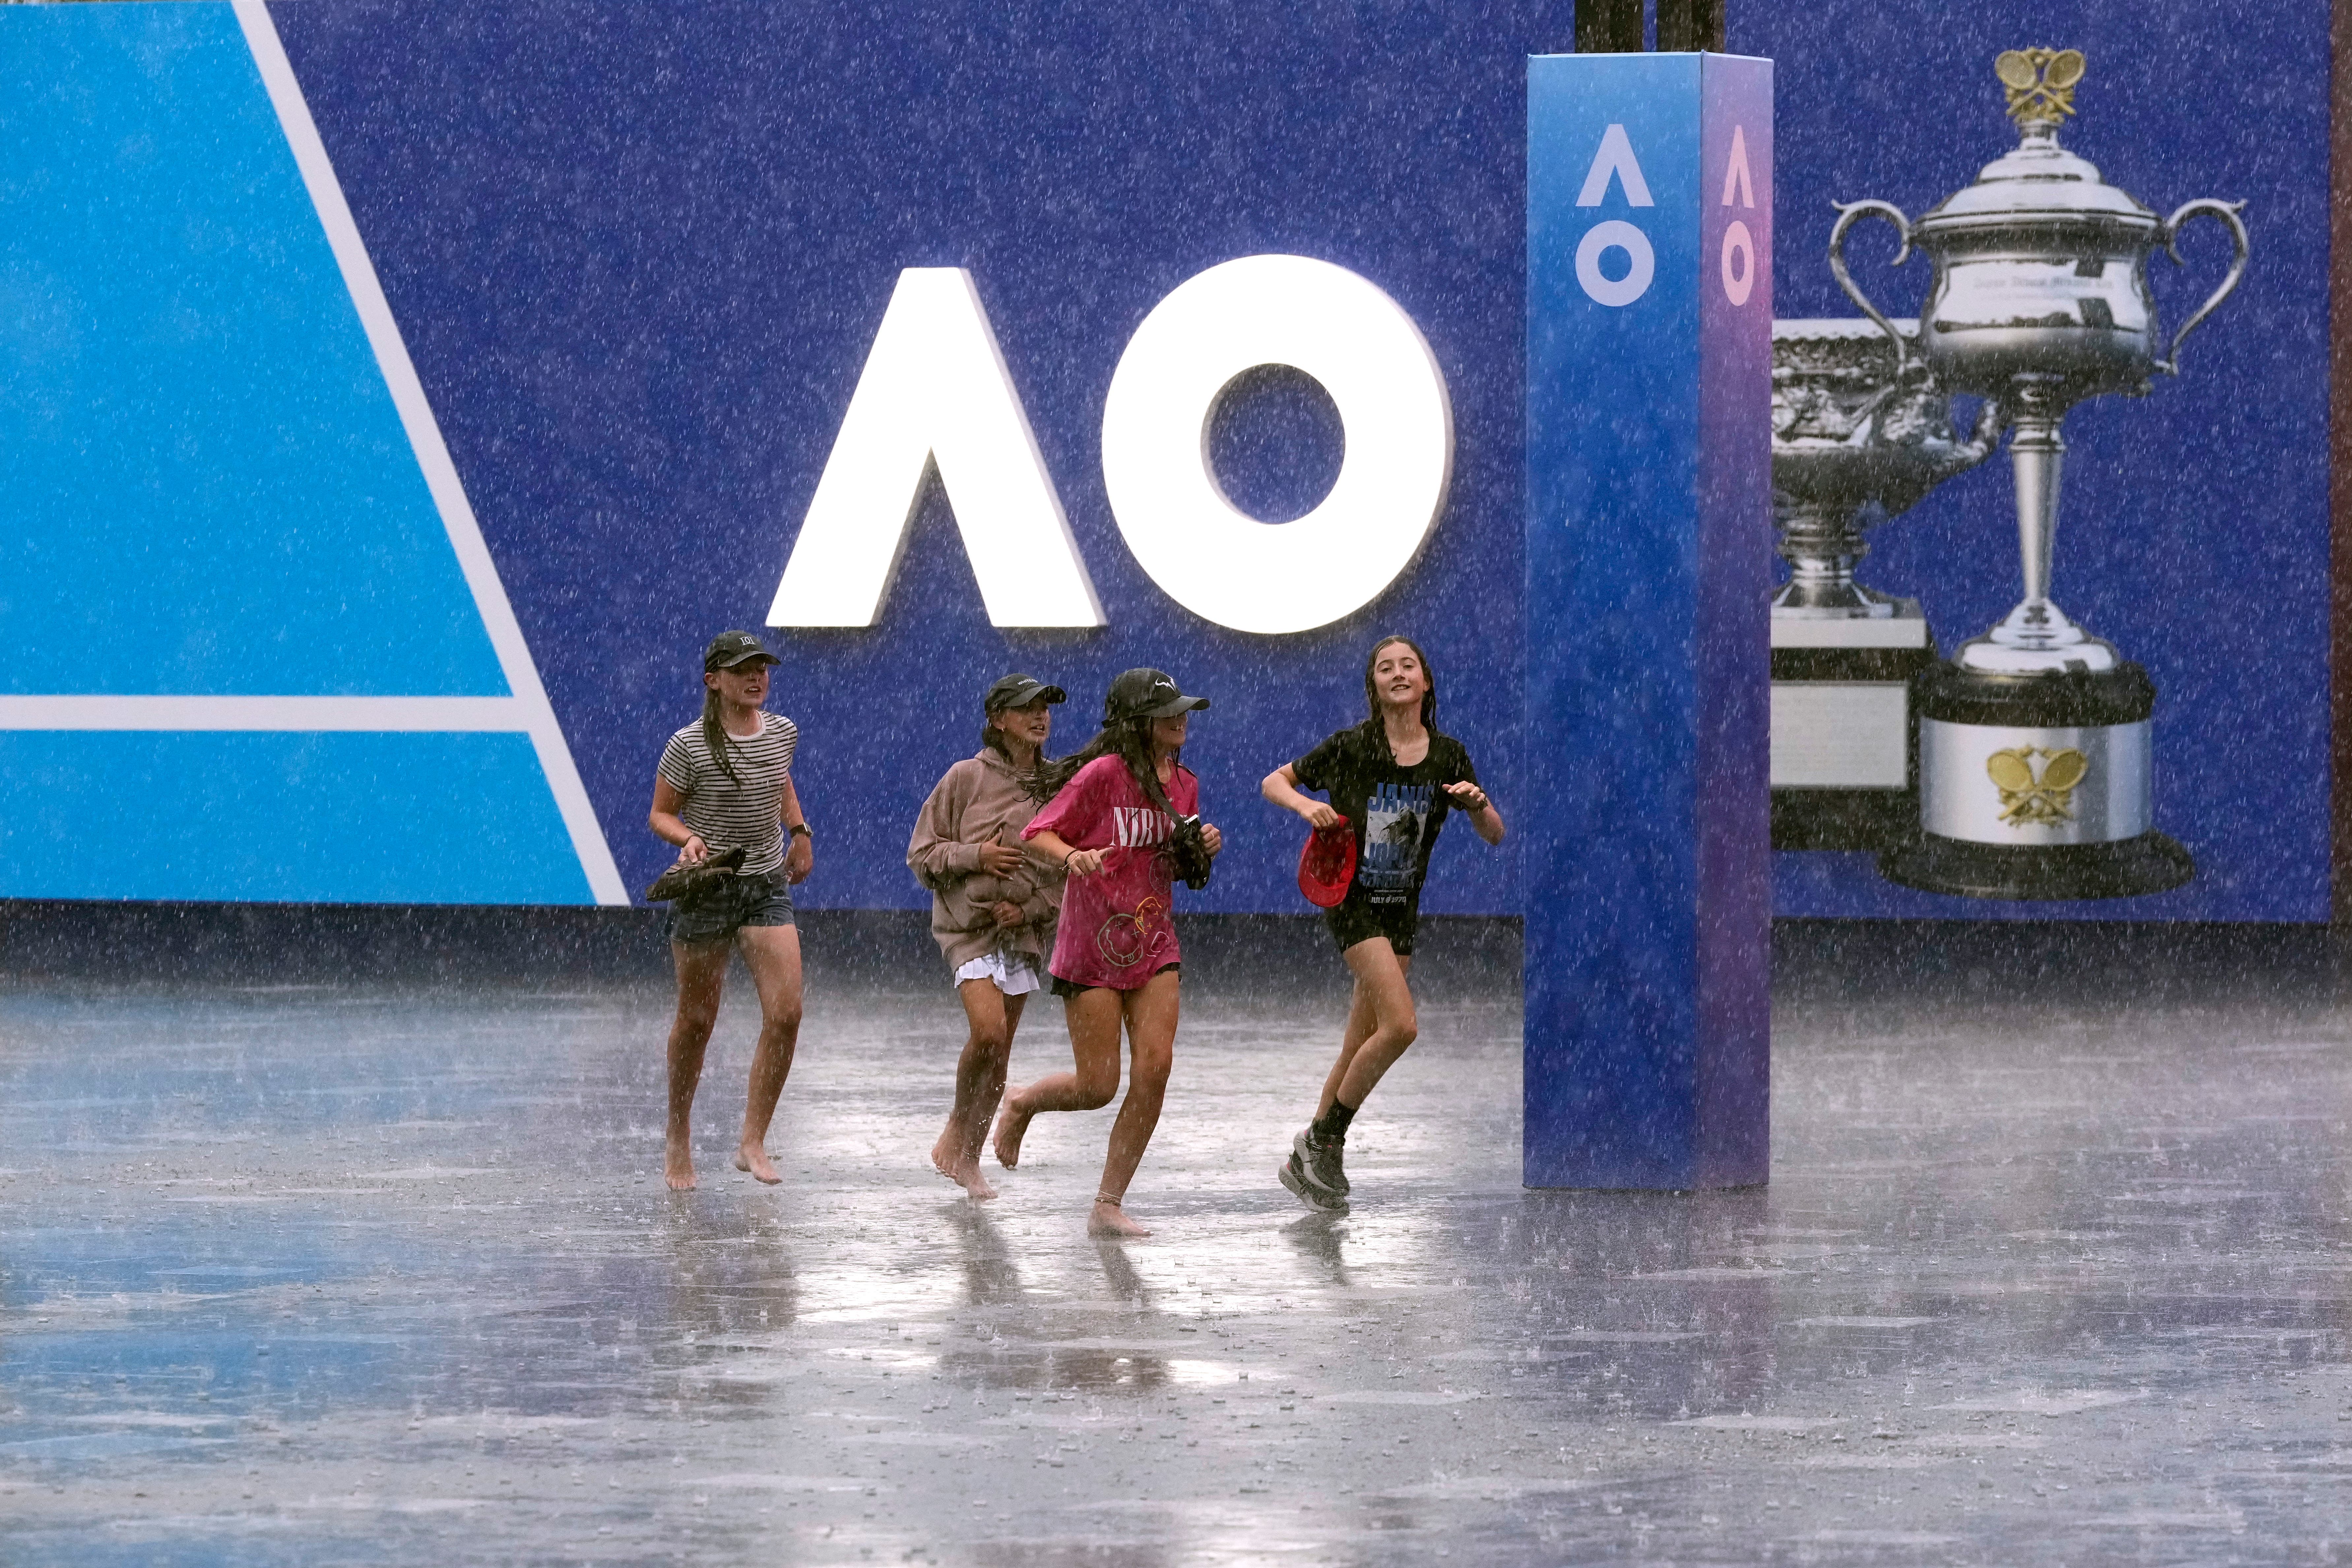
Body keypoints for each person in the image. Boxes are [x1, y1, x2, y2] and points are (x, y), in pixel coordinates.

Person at [1261, 634, 1505, 1211]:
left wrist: (1477, 804)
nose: (1397, 673)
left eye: (1408, 665)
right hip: (1351, 900)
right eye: (1384, 667)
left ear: (1425, 683)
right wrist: (1305, 807)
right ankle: (1326, 1138)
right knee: (1400, 1026)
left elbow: (1495, 833)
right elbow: (1275, 781)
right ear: (1374, 686)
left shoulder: (1448, 755)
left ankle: (1305, 1162)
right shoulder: (1351, 745)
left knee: (1357, 1045)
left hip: (1402, 909)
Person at [992, 669, 1222, 1239]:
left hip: (1152, 940)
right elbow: (1038, 834)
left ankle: (1108, 1203)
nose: (1181, 718)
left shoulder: (1184, 783)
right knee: (1097, 1085)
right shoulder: (1102, 775)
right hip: (1090, 944)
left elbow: (1176, 866)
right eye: (1167, 710)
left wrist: (1201, 849)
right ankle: (1022, 1102)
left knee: (1156, 1066)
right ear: (1136, 721)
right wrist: (1072, 858)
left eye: (1184, 708)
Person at [647, 630, 814, 1191]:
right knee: (697, 1021)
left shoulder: (783, 732)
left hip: (765, 882)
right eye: (743, 668)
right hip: (707, 885)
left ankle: (752, 1140)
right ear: (712, 679)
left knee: (786, 1012)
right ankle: (678, 1134)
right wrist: (688, 839)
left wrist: (799, 829)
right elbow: (660, 813)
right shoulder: (688, 744)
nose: (756, 676)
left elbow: (778, 776)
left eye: (763, 667)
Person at [906, 673, 1069, 1200]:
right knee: (989, 1032)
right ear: (998, 719)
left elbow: (1067, 870)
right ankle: (956, 1129)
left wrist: (1027, 910)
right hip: (966, 928)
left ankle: (968, 1156)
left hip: (1020, 935)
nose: (1039, 716)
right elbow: (922, 855)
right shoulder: (964, 778)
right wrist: (978, 856)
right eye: (1026, 708)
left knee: (1001, 1053)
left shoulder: (1059, 785)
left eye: (1045, 707)